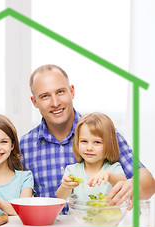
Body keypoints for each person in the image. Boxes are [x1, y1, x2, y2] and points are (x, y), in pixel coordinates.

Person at [20, 64, 155, 213]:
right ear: (34, 102)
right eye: (45, 96)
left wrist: (134, 185)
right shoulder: (25, 146)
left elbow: (148, 184)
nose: (55, 102)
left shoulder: (103, 133)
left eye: (60, 92)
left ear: (72, 91)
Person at [56, 112, 127, 200]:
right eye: (84, 141)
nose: (89, 148)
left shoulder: (113, 169)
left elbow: (124, 184)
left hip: (107, 214)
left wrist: (109, 176)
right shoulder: (72, 170)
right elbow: (61, 198)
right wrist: (65, 187)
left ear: (109, 144)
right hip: (77, 214)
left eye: (97, 142)